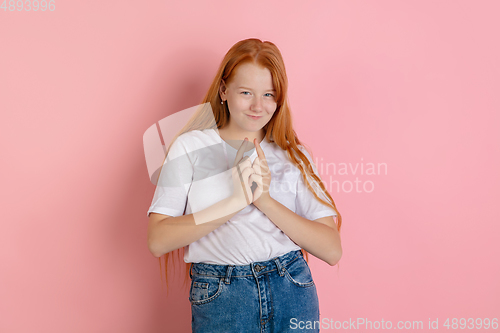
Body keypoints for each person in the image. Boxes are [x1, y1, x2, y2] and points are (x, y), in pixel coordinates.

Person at [146, 38, 342, 333]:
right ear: (224, 91)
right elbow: (158, 240)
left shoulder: (293, 154)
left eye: (268, 94)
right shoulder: (190, 147)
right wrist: (235, 201)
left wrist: (264, 201)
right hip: (222, 297)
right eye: (246, 92)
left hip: (290, 287)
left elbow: (331, 250)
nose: (257, 106)